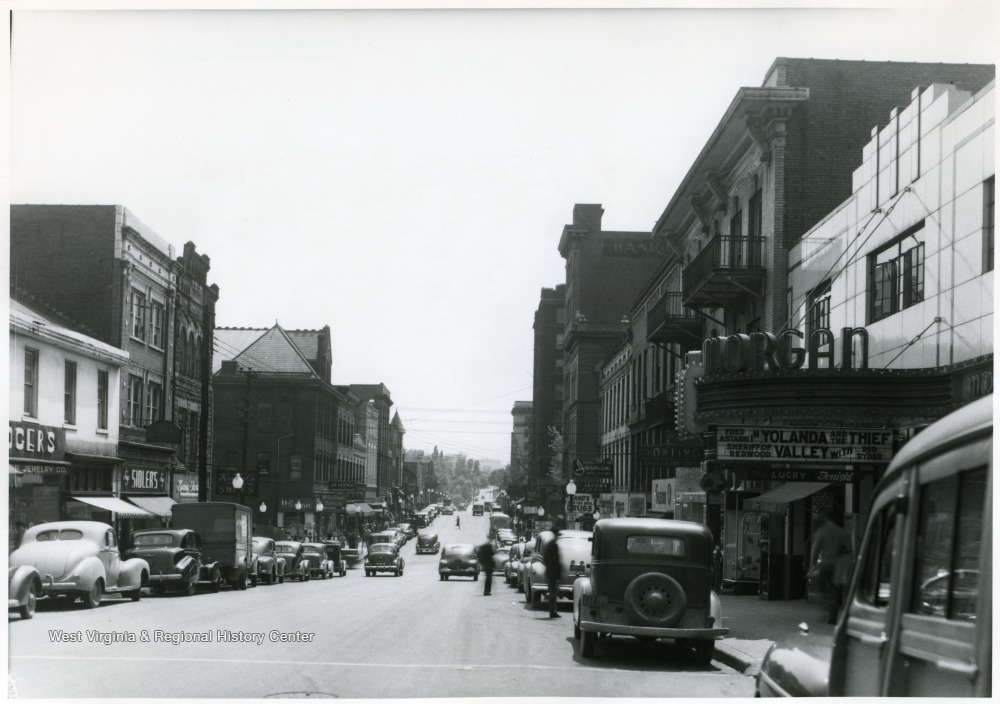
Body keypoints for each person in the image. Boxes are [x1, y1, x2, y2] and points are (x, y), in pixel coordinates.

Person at [809, 511, 852, 624]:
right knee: (835, 591)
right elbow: (849, 549)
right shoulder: (842, 532)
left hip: (825, 563)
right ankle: (832, 617)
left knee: (821, 587)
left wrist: (812, 565)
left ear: (827, 519)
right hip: (838, 565)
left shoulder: (821, 531)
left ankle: (826, 604)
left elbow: (815, 550)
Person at [543, 527, 562, 617]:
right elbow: (556, 560)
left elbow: (545, 559)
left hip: (550, 571)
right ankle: (552, 611)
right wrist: (558, 572)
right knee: (553, 593)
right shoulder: (553, 545)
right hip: (553, 572)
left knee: (552, 592)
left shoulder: (549, 544)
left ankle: (553, 610)